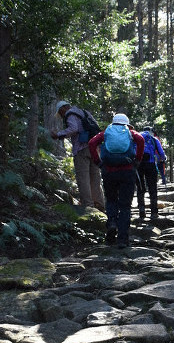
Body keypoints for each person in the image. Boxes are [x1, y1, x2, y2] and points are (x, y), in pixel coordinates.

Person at [89, 113, 145, 248]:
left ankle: (112, 223)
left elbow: (91, 143)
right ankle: (122, 239)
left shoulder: (106, 132)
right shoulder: (131, 132)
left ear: (113, 122)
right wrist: (137, 160)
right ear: (126, 123)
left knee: (112, 200)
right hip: (127, 171)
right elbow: (141, 140)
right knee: (125, 205)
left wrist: (98, 162)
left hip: (109, 171)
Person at [51, 101, 105, 211]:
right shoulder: (84, 112)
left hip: (81, 148)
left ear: (63, 109)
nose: (61, 116)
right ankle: (99, 204)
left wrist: (58, 134)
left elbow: (73, 128)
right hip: (94, 148)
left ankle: (88, 206)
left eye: (60, 113)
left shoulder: (69, 114)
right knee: (95, 177)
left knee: (83, 178)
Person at [136, 125, 166, 220]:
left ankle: (141, 210)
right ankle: (154, 212)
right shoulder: (153, 139)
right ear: (151, 131)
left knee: (140, 188)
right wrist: (162, 159)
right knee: (152, 188)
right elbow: (161, 153)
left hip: (139, 164)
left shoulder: (137, 137)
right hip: (151, 164)